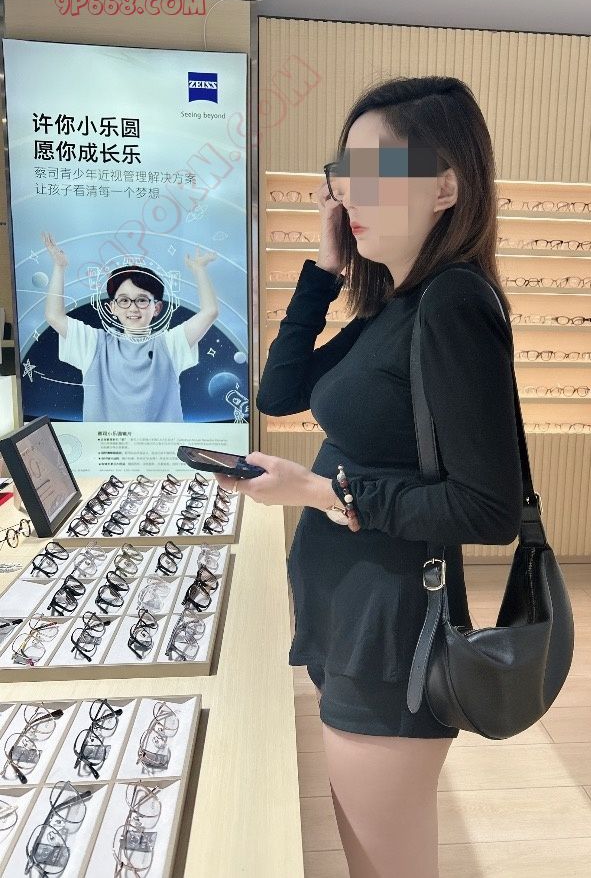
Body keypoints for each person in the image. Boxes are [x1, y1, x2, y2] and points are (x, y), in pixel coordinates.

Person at [216, 76, 523, 877]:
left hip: (392, 632)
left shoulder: (453, 304)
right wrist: (325, 270)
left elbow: (488, 507)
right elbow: (280, 394)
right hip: (352, 615)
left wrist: (317, 492)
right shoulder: (398, 304)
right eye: (343, 172)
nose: (350, 191)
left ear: (446, 186)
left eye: (375, 170)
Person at [42, 232, 219, 422]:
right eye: (124, 300)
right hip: (105, 442)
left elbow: (210, 311)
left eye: (142, 300)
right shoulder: (94, 344)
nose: (133, 308)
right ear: (112, 307)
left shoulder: (170, 344)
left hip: (161, 442)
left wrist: (199, 269)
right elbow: (54, 316)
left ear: (157, 307)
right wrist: (59, 267)